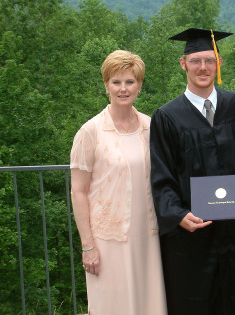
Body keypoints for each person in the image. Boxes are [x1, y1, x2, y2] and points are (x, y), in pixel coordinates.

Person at [150, 28, 235, 315]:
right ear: (183, 64)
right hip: (191, 233)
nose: (203, 67)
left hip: (233, 228)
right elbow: (161, 173)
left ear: (219, 63)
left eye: (209, 60)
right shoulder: (167, 116)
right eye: (195, 61)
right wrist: (178, 215)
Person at [70, 50, 167, 315]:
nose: (123, 88)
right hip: (107, 241)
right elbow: (78, 192)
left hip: (148, 236)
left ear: (139, 85)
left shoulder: (151, 127)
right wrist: (88, 246)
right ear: (106, 85)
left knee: (148, 303)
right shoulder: (90, 132)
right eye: (116, 82)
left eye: (129, 82)